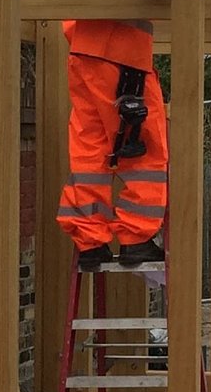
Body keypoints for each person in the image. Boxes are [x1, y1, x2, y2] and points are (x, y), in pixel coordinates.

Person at [57, 18, 167, 268]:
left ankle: (90, 240)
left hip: (83, 48)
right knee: (144, 148)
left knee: (90, 150)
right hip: (122, 49)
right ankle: (136, 237)